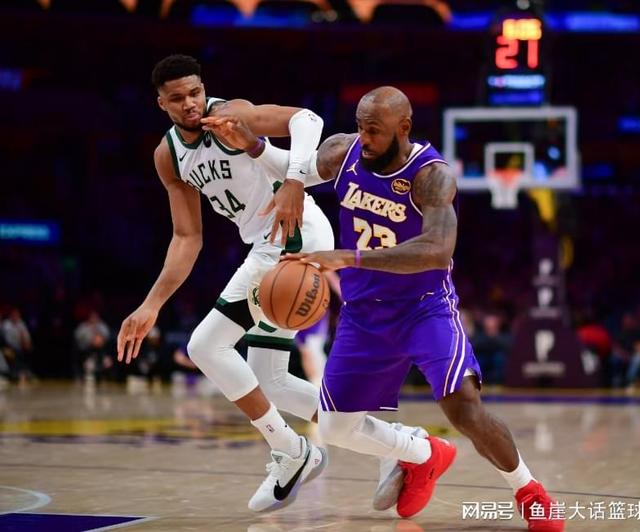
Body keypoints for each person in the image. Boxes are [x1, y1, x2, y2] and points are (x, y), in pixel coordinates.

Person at [212, 86, 564, 529]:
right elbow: (293, 168)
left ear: (404, 128)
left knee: (463, 407)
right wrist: (253, 146)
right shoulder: (344, 151)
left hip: (423, 308)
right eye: (360, 126)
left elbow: (436, 250)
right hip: (363, 315)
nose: (364, 137)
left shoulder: (431, 175)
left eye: (374, 130)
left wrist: (349, 257)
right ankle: (422, 455)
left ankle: (529, 491)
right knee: (335, 428)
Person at [116, 56, 409, 513]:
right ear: (162, 104)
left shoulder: (233, 114)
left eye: (195, 92)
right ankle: (394, 445)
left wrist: (293, 181)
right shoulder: (168, 156)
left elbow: (306, 119)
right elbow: (187, 238)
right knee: (272, 381)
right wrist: (151, 304)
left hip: (292, 237)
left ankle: (292, 452)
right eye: (177, 98)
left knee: (205, 346)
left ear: (203, 88)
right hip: (265, 245)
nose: (190, 103)